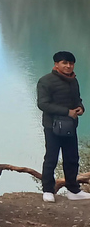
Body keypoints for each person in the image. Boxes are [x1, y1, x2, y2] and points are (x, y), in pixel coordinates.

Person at [37, 51, 90, 202]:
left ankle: (73, 190)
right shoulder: (45, 81)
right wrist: (67, 112)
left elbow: (77, 99)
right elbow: (43, 104)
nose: (68, 66)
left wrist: (80, 107)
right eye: (64, 63)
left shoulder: (73, 80)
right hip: (52, 126)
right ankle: (48, 190)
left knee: (72, 158)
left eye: (71, 63)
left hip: (70, 125)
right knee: (51, 158)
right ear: (56, 64)